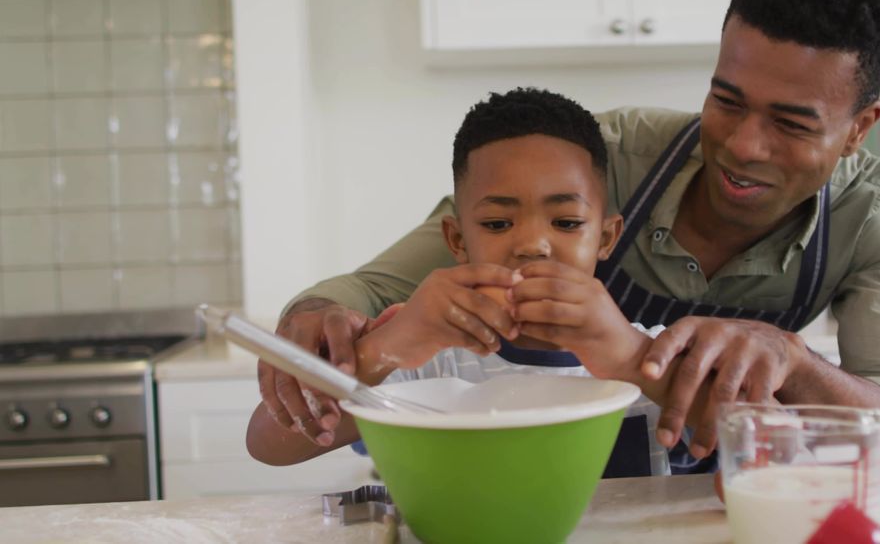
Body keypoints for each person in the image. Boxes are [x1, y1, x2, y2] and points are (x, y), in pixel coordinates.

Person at [261, 0, 880, 467]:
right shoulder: (597, 158)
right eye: (726, 101)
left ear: (859, 129)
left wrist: (787, 357)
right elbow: (367, 294)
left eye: (792, 123)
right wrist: (330, 327)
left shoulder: (878, 217)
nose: (742, 145)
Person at [248, 88, 718, 476]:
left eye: (568, 223)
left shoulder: (656, 357)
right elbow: (268, 443)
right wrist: (385, 347)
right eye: (497, 224)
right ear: (456, 239)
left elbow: (766, 431)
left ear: (607, 237)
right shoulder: (427, 365)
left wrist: (633, 360)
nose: (533, 245)